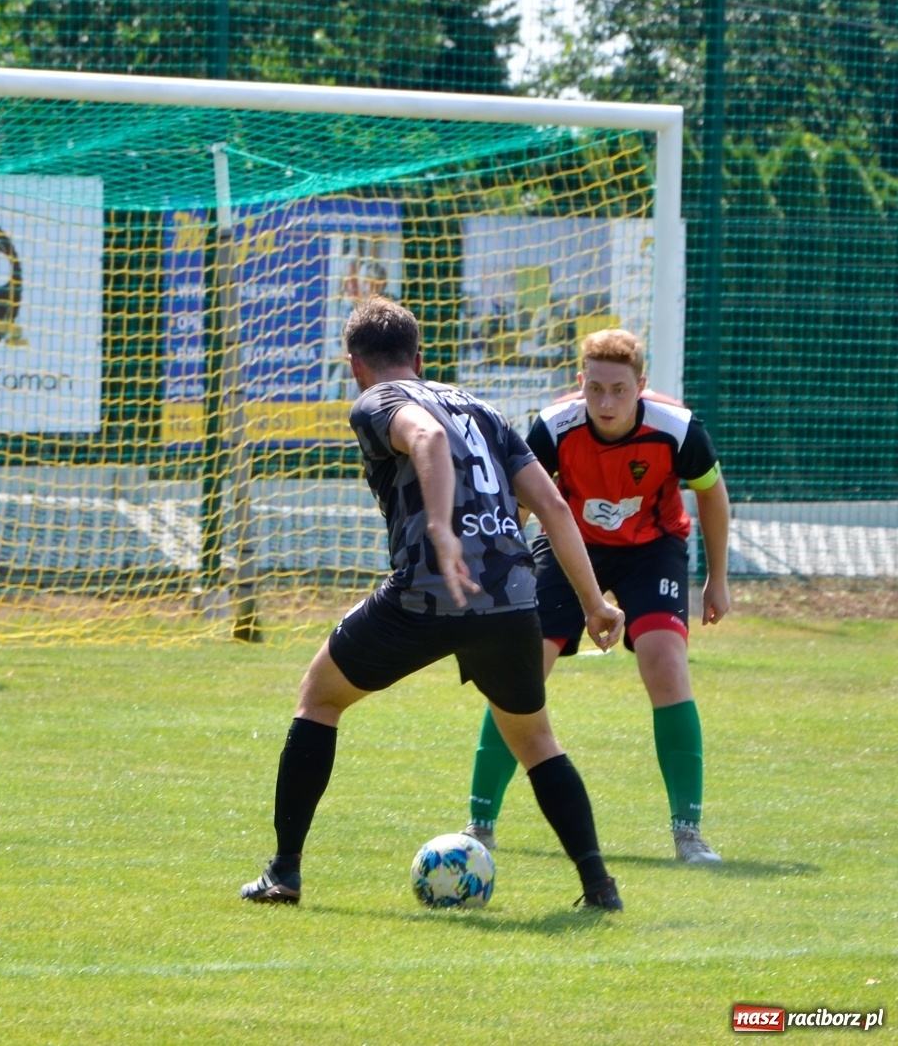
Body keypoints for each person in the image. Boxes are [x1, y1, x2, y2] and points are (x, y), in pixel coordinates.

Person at [240, 296, 627, 910]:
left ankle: (284, 872)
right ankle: (598, 886)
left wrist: (443, 529)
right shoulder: (482, 407)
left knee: (319, 698)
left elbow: (422, 435)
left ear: (354, 366)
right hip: (512, 596)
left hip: (428, 590)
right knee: (534, 740)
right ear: (418, 358)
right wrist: (594, 602)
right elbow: (552, 507)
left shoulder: (378, 402)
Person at [463, 328, 729, 865]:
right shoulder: (553, 427)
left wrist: (717, 577)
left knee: (666, 662)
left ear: (641, 387)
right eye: (595, 389)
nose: (606, 403)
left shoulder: (677, 429)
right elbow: (519, 505)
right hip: (568, 546)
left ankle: (688, 833)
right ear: (580, 383)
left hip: (651, 549)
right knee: (521, 670)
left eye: (619, 391)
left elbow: (712, 495)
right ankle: (479, 823)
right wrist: (502, 574)